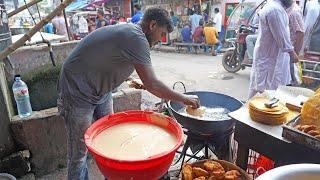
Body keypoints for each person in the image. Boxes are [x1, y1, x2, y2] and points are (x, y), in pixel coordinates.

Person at [57, 7, 200, 180]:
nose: (162, 40)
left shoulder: (133, 34)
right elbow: (153, 84)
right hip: (77, 90)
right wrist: (184, 99)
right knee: (79, 152)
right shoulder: (136, 37)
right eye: (162, 33)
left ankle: (112, 175)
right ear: (152, 25)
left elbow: (123, 63)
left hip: (101, 90)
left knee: (110, 136)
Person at [249, 0, 300, 98]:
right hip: (270, 60)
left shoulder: (276, 8)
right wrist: (292, 54)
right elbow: (282, 37)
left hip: (270, 58)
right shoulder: (275, 10)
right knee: (264, 95)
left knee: (261, 93)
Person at [286, 1, 304, 86]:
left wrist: (295, 53)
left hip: (291, 50)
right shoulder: (290, 10)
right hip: (289, 50)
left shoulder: (294, 12)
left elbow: (300, 33)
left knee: (292, 81)